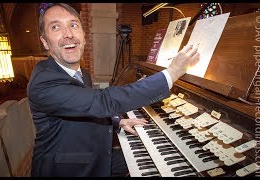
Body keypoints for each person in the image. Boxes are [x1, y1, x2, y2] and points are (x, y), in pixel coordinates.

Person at [27, 3, 199, 177]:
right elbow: (102, 101)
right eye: (56, 27)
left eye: (73, 25)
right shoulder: (43, 82)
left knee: (157, 159)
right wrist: (172, 73)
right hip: (67, 169)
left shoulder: (82, 73)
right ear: (45, 42)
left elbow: (84, 108)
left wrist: (118, 122)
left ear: (84, 36)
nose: (69, 34)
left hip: (91, 152)